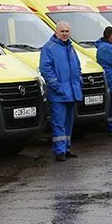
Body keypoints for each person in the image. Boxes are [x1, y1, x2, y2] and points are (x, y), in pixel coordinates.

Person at [40, 22, 82, 161]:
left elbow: (77, 66)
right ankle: (59, 151)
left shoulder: (70, 47)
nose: (65, 33)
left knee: (68, 123)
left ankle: (66, 148)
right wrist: (56, 86)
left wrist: (79, 81)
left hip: (71, 92)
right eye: (62, 31)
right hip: (58, 93)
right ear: (56, 32)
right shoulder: (49, 48)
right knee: (58, 123)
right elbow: (45, 69)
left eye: (67, 31)